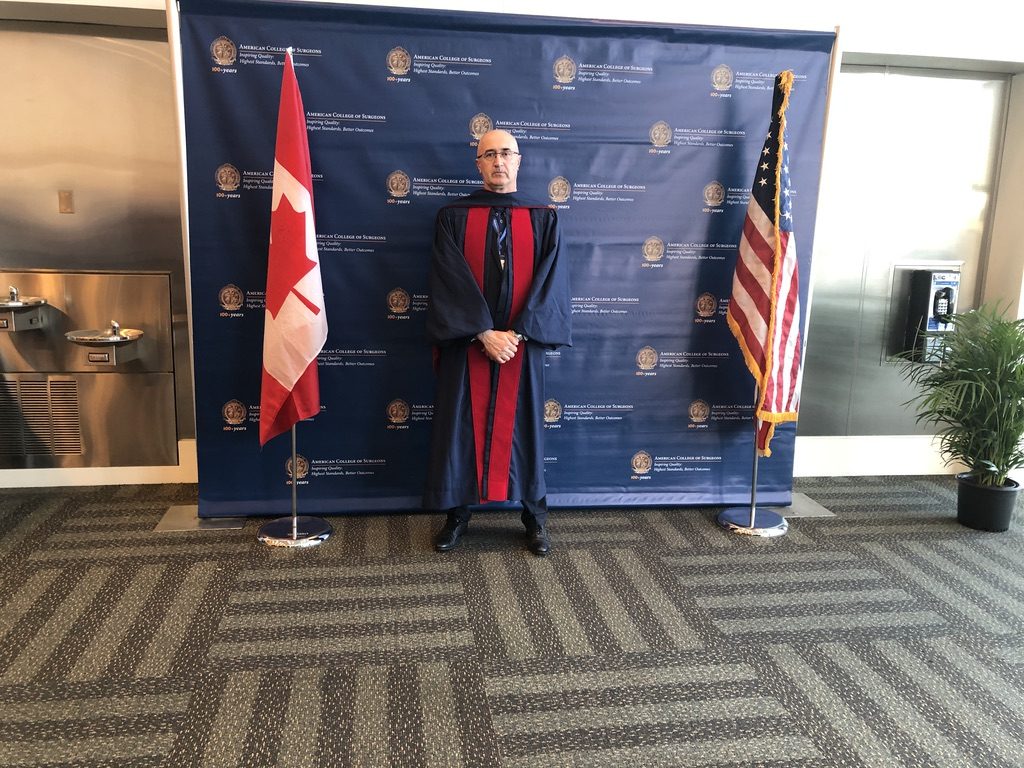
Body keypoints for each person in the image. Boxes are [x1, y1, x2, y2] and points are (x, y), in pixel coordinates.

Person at [424, 129, 572, 555]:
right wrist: (482, 332)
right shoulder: (452, 217)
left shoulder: (543, 217)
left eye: (506, 153)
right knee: (460, 427)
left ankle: (535, 518)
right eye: (489, 154)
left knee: (526, 428)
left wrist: (517, 333)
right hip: (469, 342)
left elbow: (551, 282)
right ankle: (457, 515)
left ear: (519, 160)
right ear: (478, 164)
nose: (498, 161)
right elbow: (448, 278)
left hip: (521, 345)